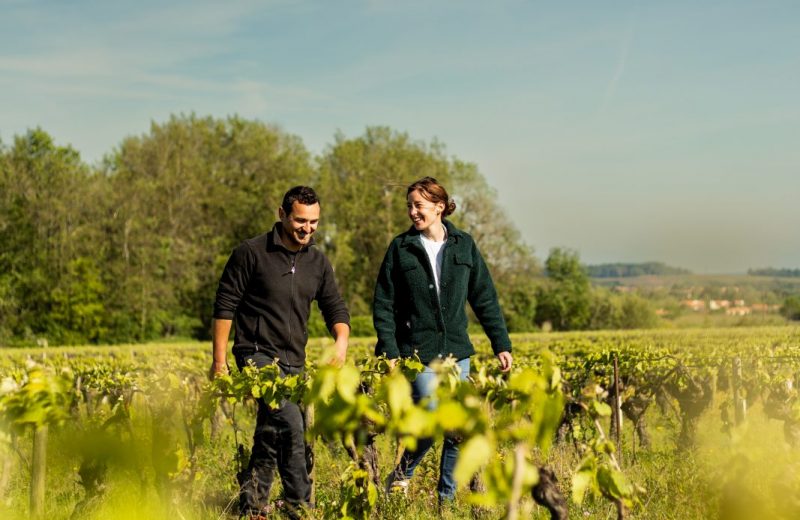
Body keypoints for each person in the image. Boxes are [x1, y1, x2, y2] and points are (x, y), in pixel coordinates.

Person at [210, 186, 350, 519]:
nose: (308, 228)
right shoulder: (251, 253)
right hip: (256, 355)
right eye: (301, 220)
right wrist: (219, 362)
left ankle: (253, 505)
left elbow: (335, 308)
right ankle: (300, 508)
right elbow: (225, 305)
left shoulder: (317, 261)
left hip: (294, 361)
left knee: (271, 434)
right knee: (291, 425)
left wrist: (341, 342)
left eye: (314, 222)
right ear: (282, 214)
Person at [373, 176, 513, 503]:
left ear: (439, 207)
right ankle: (401, 477)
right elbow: (383, 304)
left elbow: (485, 298)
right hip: (416, 354)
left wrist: (501, 344)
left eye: (418, 205)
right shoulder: (400, 248)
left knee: (457, 430)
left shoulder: (463, 244)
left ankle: (445, 501)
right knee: (430, 421)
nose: (412, 212)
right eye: (409, 205)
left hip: (457, 355)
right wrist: (390, 351)